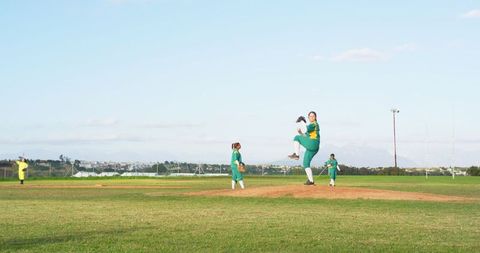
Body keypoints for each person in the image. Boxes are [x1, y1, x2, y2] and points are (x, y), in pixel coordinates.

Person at [288, 111, 320, 185]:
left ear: (315, 117)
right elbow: (306, 136)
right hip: (312, 146)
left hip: (313, 143)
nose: (312, 117)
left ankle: (296, 155)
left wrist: (302, 120)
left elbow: (305, 129)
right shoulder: (310, 126)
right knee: (306, 163)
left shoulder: (314, 124)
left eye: (313, 116)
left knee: (296, 137)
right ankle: (311, 181)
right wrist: (301, 133)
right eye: (310, 116)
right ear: (308, 118)